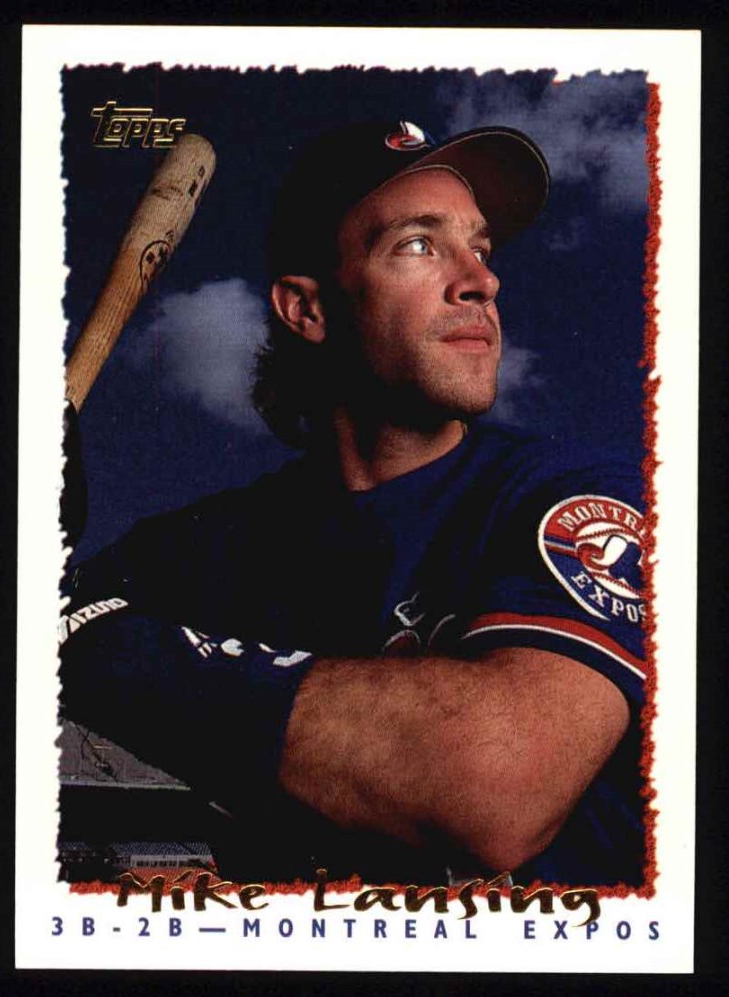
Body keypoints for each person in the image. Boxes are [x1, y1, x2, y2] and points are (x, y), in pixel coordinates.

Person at [60, 120, 647, 888]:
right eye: (418, 245)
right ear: (307, 311)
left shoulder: (573, 493)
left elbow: (491, 786)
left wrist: (82, 639)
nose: (481, 280)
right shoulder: (197, 549)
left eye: (481, 249)